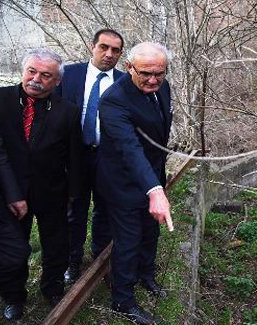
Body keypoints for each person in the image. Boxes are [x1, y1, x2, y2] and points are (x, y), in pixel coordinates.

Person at [0, 48, 83, 320]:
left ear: (57, 81)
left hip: (52, 192)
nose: (36, 79)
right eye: (32, 71)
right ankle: (13, 296)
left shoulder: (69, 112)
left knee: (56, 245)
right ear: (23, 70)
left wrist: (74, 193)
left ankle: (52, 289)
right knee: (14, 247)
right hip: (8, 194)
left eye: (45, 75)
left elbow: (75, 157)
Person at [97, 42, 174, 325]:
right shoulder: (113, 100)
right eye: (145, 73)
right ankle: (123, 299)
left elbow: (158, 134)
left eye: (159, 73)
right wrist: (154, 190)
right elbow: (130, 148)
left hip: (152, 173)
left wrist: (156, 183)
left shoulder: (162, 87)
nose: (153, 80)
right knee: (128, 240)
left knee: (150, 231)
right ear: (129, 68)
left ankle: (146, 275)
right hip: (123, 181)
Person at [56, 28, 124, 284]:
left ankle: (100, 260)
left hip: (107, 157)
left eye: (115, 50)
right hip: (75, 156)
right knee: (74, 210)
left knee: (105, 210)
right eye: (103, 47)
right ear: (91, 46)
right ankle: (72, 262)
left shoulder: (124, 82)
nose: (109, 54)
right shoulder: (69, 75)